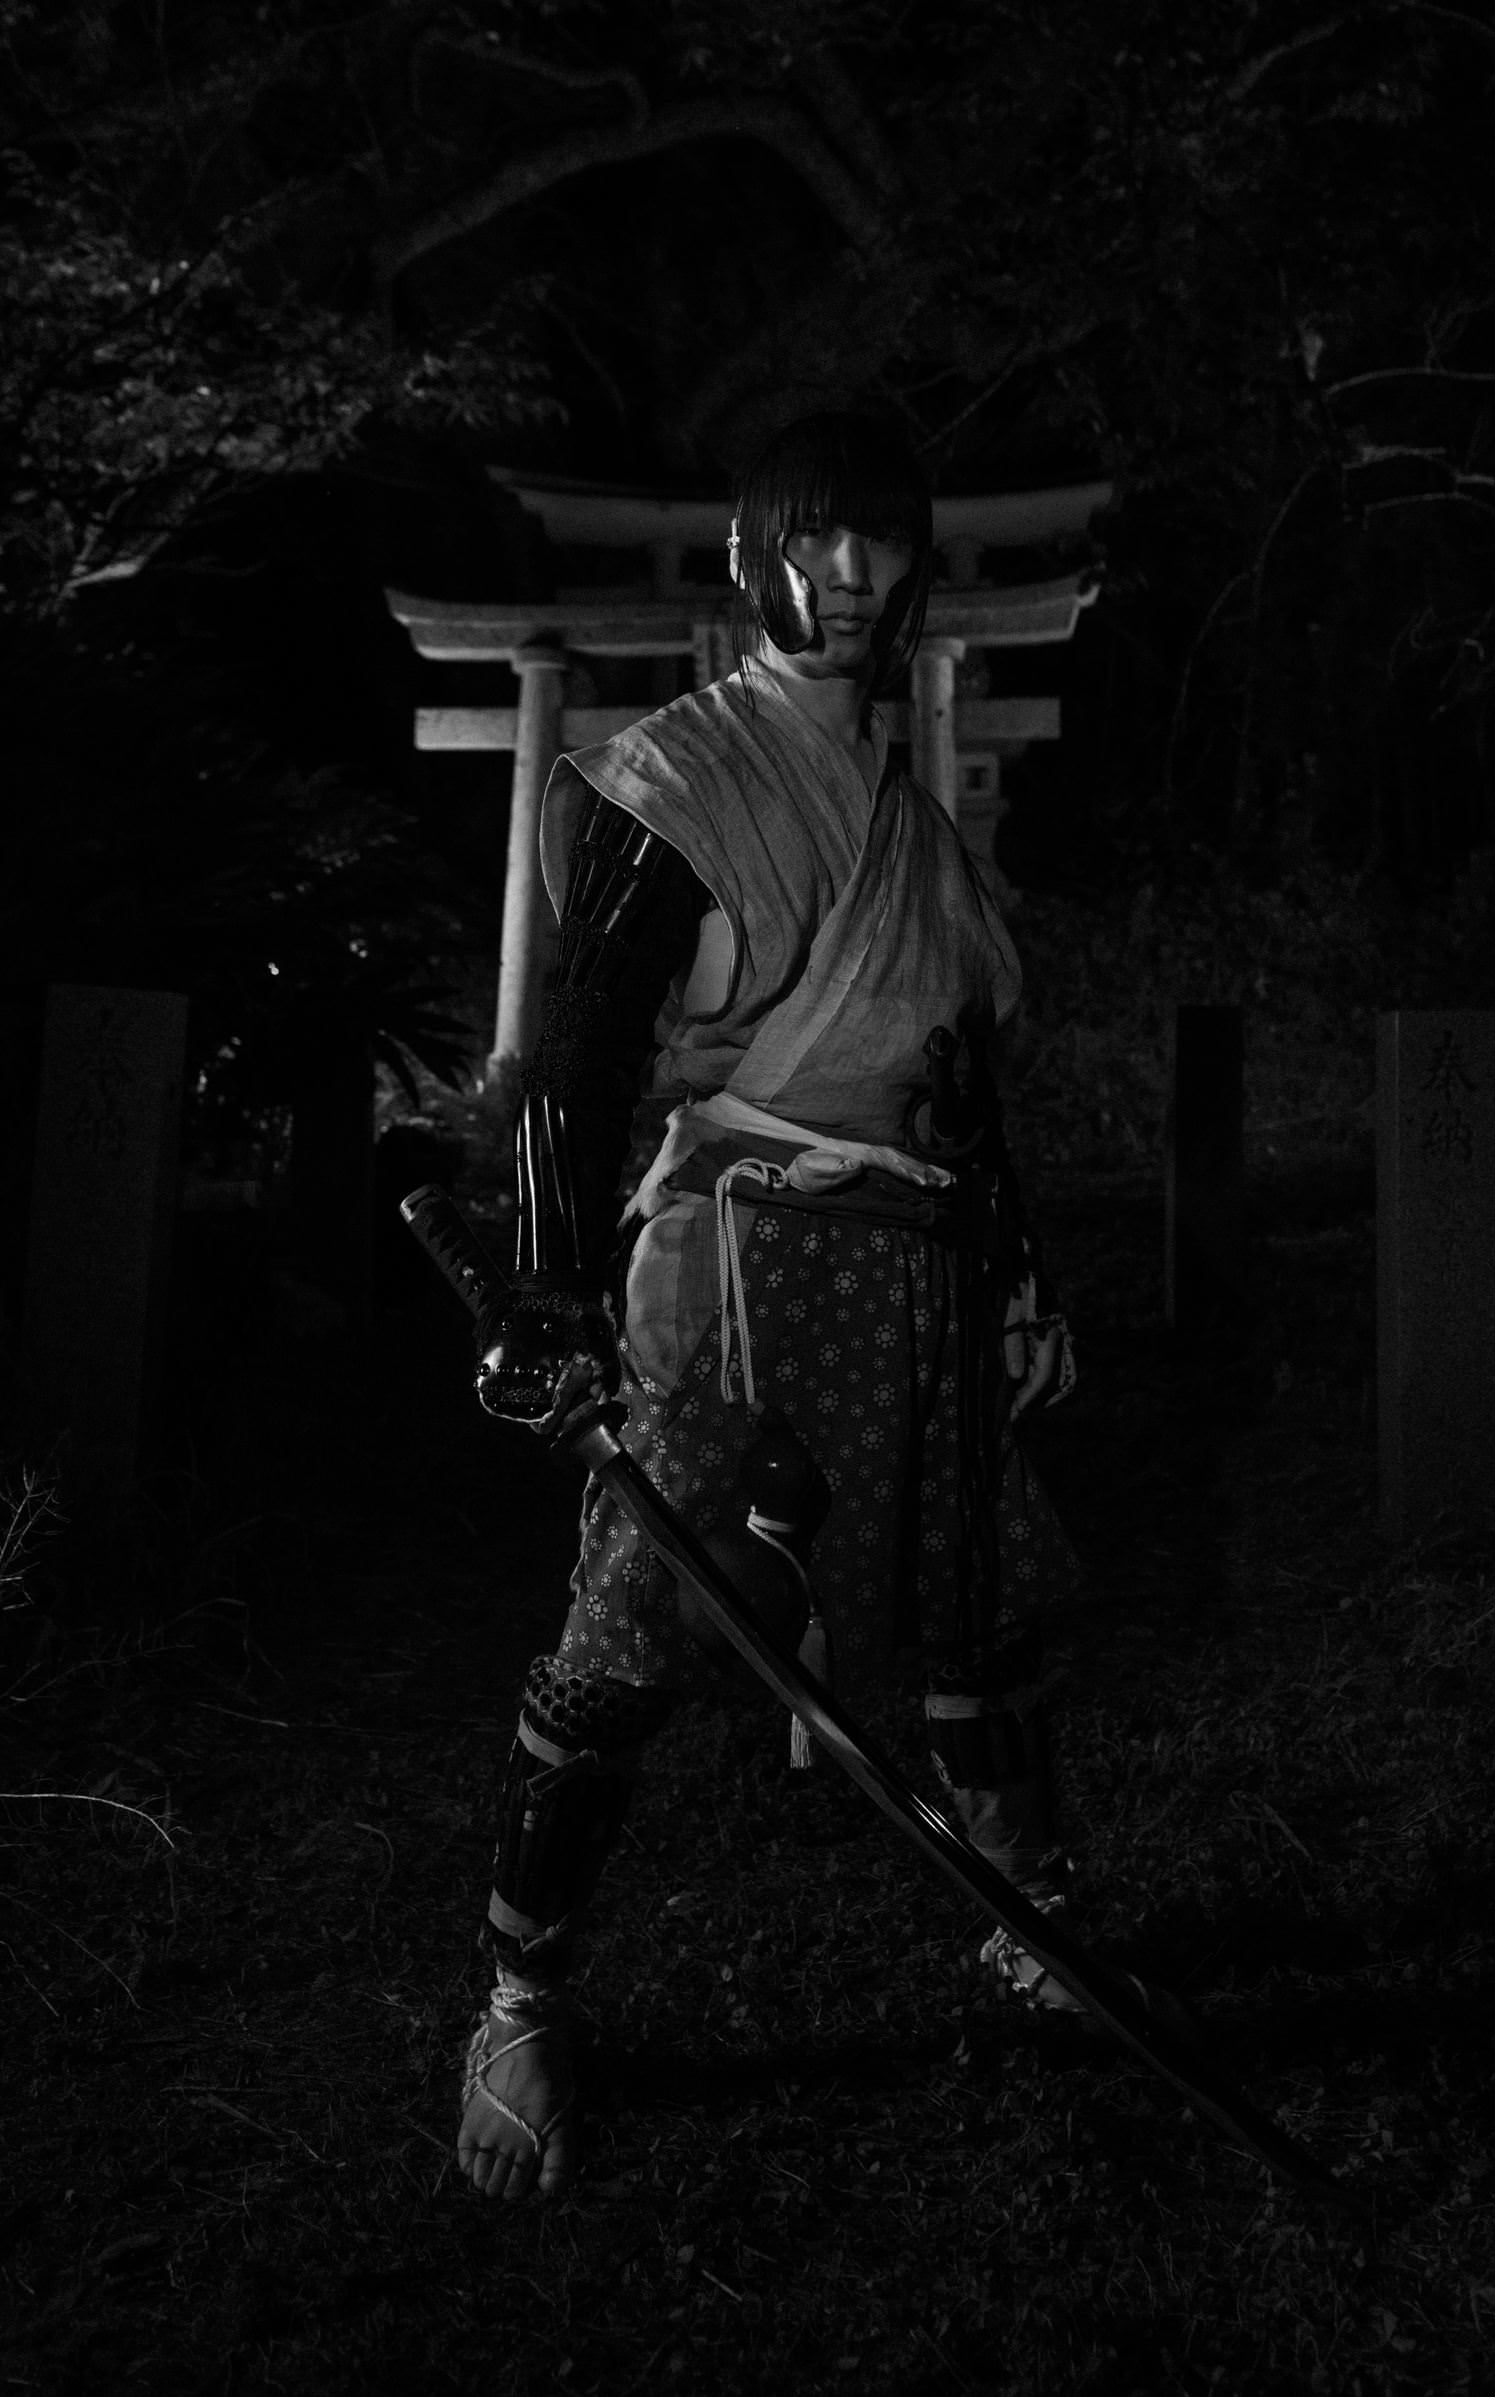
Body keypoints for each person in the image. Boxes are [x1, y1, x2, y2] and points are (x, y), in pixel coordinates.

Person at [457, 412, 1090, 2204]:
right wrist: (551, 1293)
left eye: (885, 543)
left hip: (928, 1260)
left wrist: (1024, 1277)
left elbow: (965, 1089)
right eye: (818, 540)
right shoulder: (679, 778)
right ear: (756, 561)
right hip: (742, 1259)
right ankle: (517, 2000)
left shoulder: (917, 833)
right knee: (632, 1632)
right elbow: (579, 1060)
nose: (856, 576)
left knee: (976, 1607)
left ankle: (1035, 1913)